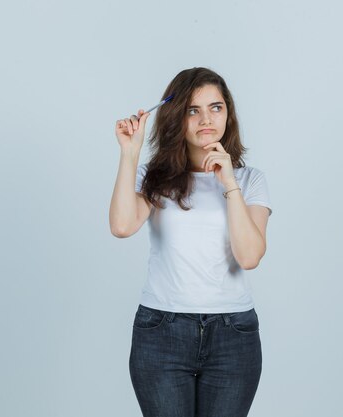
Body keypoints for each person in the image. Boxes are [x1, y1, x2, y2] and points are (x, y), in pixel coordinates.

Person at [109, 67, 273, 417]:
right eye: (192, 110)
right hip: (161, 333)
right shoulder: (154, 177)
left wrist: (229, 183)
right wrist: (129, 153)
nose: (205, 119)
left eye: (215, 107)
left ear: (228, 113)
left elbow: (249, 256)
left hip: (233, 335)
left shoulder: (250, 180)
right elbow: (122, 226)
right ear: (175, 116)